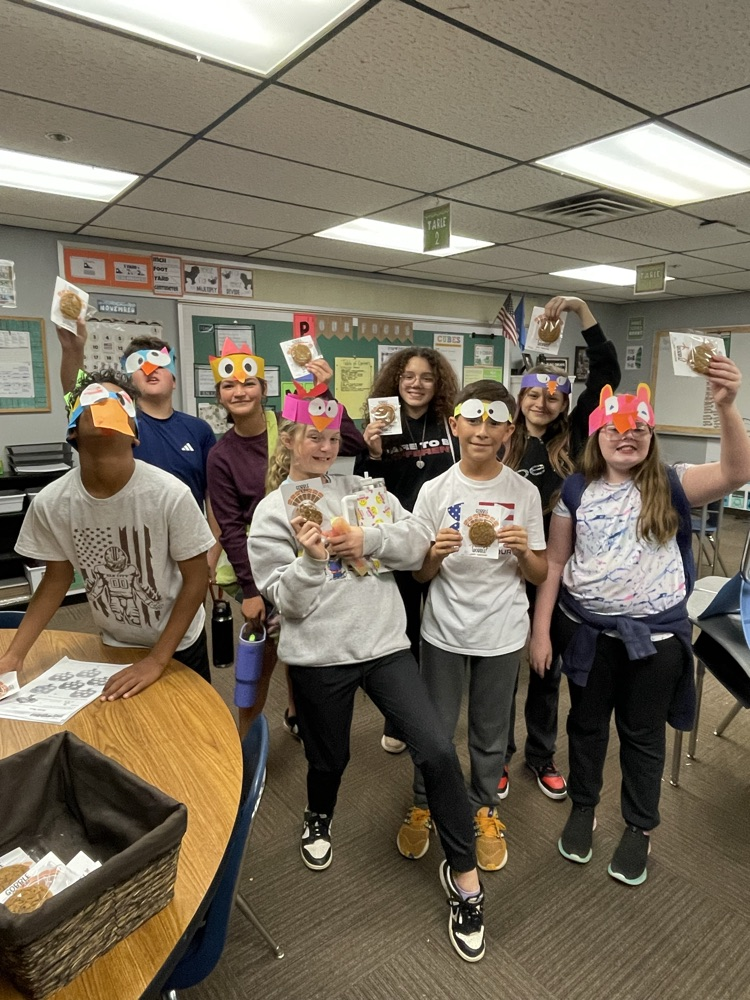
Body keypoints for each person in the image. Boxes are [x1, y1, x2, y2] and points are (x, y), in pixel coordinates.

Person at [249, 384, 488, 963]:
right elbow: (287, 603)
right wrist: (311, 561)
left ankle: (465, 877)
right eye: (314, 437)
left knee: (436, 748)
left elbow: (414, 545)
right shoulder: (273, 512)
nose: (325, 447)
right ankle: (318, 816)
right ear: (290, 439)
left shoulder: (364, 488)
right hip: (319, 655)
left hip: (384, 645)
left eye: (333, 437)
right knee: (330, 758)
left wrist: (368, 538)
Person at [530, 360, 750, 886]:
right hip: (588, 634)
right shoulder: (576, 492)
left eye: (638, 429)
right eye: (614, 429)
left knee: (643, 735)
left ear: (651, 437)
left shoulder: (671, 484)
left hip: (655, 641)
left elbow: (737, 473)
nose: (626, 437)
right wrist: (540, 632)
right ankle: (584, 807)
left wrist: (726, 406)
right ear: (596, 436)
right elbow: (555, 564)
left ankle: (639, 826)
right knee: (586, 727)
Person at [397, 379, 547, 872]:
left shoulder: (523, 492)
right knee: (435, 731)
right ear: (454, 424)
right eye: (473, 419)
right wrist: (433, 557)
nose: (482, 430)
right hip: (444, 628)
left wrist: (523, 552)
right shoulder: (434, 490)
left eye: (494, 420)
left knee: (490, 730)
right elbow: (420, 575)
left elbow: (540, 573)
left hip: (502, 630)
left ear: (509, 430)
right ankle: (424, 803)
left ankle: (484, 808)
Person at [0, 369, 215, 699]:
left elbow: (197, 579)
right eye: (94, 400)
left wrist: (157, 659)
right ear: (72, 430)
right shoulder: (52, 503)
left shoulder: (170, 495)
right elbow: (56, 579)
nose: (106, 405)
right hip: (114, 641)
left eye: (119, 401)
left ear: (134, 434)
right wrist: (13, 656)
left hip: (178, 643)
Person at [206, 338, 365, 734]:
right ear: (220, 394)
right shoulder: (222, 455)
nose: (240, 392)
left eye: (249, 383)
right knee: (261, 662)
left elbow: (353, 444)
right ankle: (245, 742)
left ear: (263, 388)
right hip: (261, 563)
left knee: (306, 644)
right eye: (229, 385)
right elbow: (230, 528)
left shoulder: (292, 423)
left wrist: (324, 393)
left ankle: (298, 714)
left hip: (314, 549)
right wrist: (251, 590)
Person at [501, 295, 621, 801]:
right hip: (505, 571)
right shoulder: (501, 439)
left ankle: (540, 754)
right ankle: (498, 754)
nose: (542, 403)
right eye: (533, 394)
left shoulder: (575, 436)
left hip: (557, 573)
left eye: (552, 397)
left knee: (546, 668)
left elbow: (608, 371)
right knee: (502, 671)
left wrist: (580, 310)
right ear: (520, 397)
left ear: (564, 403)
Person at [355, 347, 459, 753]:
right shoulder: (381, 425)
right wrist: (374, 453)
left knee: (443, 626)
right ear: (396, 381)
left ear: (438, 384)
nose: (417, 384)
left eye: (427, 377)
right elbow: (367, 492)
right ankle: (400, 719)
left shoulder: (450, 424)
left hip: (442, 542)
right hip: (398, 545)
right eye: (408, 376)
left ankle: (439, 709)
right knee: (403, 632)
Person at [58, 320, 217, 511]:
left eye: (160, 364)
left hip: (186, 526)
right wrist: (72, 349)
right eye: (140, 365)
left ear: (174, 381)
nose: (150, 370)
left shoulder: (199, 430)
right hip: (130, 525)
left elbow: (212, 493)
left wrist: (212, 531)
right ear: (129, 382)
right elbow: (76, 397)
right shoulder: (120, 424)